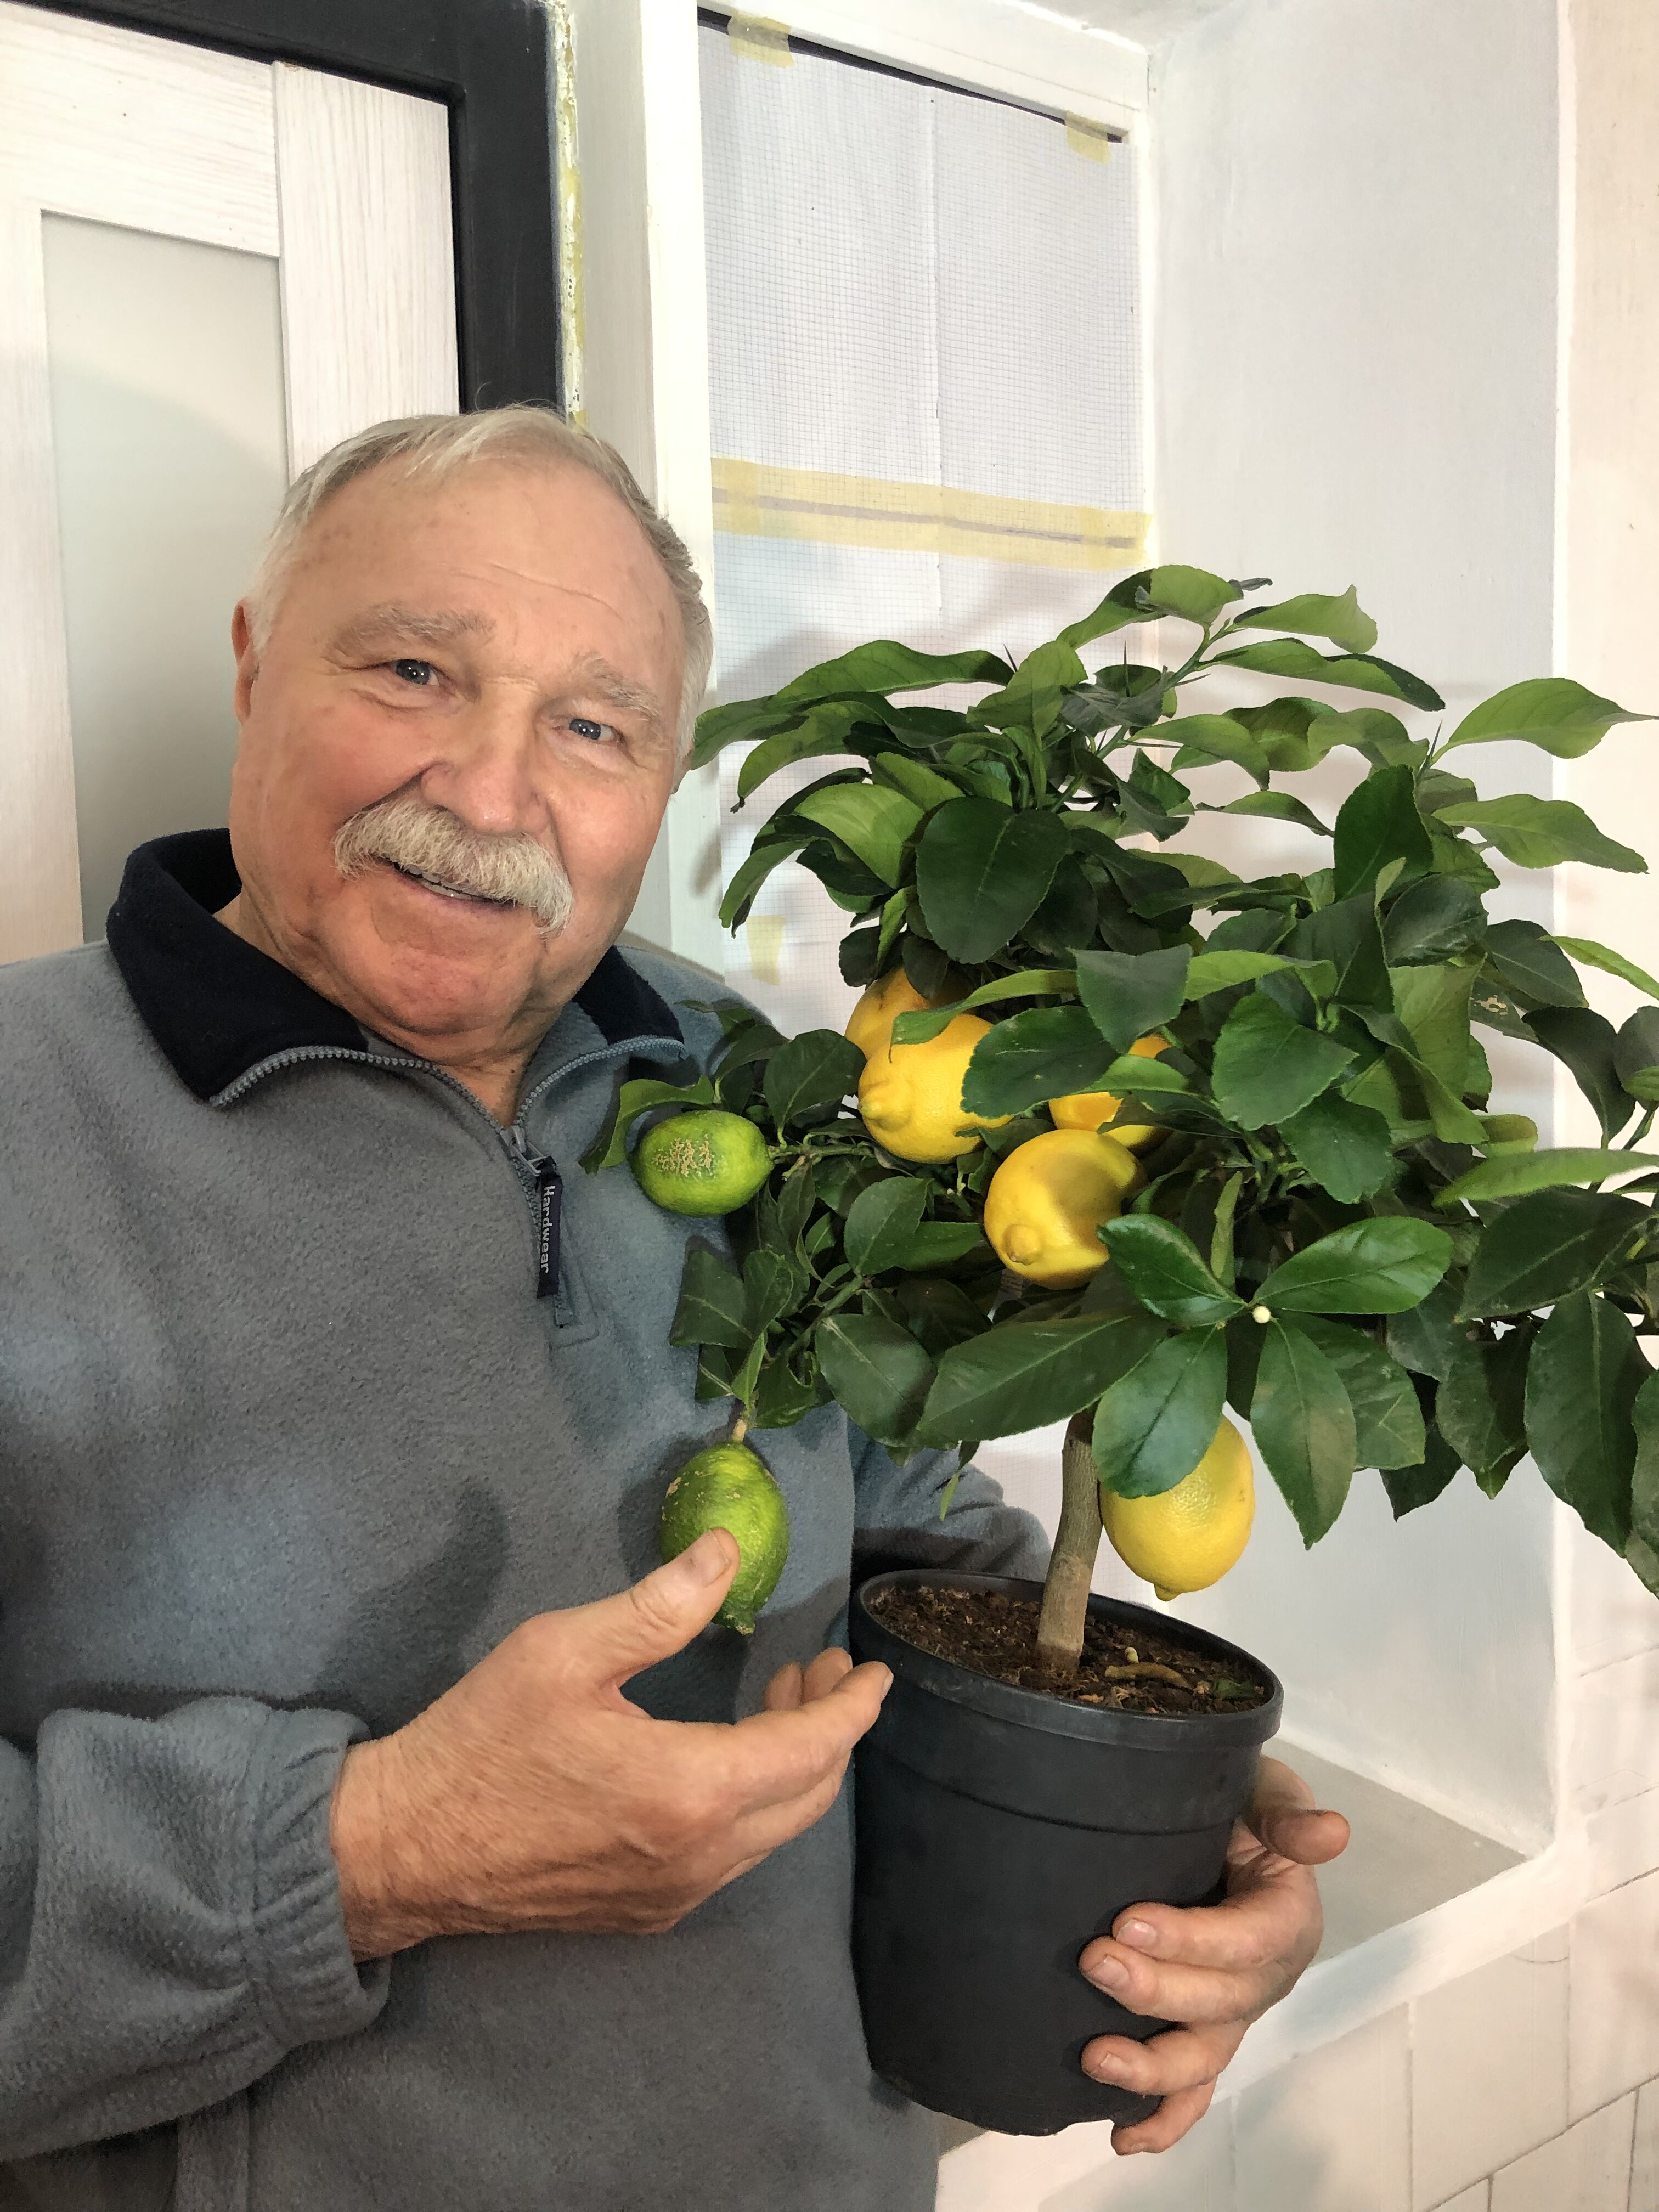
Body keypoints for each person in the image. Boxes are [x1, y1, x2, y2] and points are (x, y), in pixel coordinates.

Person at [0, 408, 1348, 2209]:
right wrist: (373, 1853)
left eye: (594, 727)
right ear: (256, 664)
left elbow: (906, 1536)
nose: (490, 795)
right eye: (413, 671)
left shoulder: (758, 1087)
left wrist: (1155, 1832)